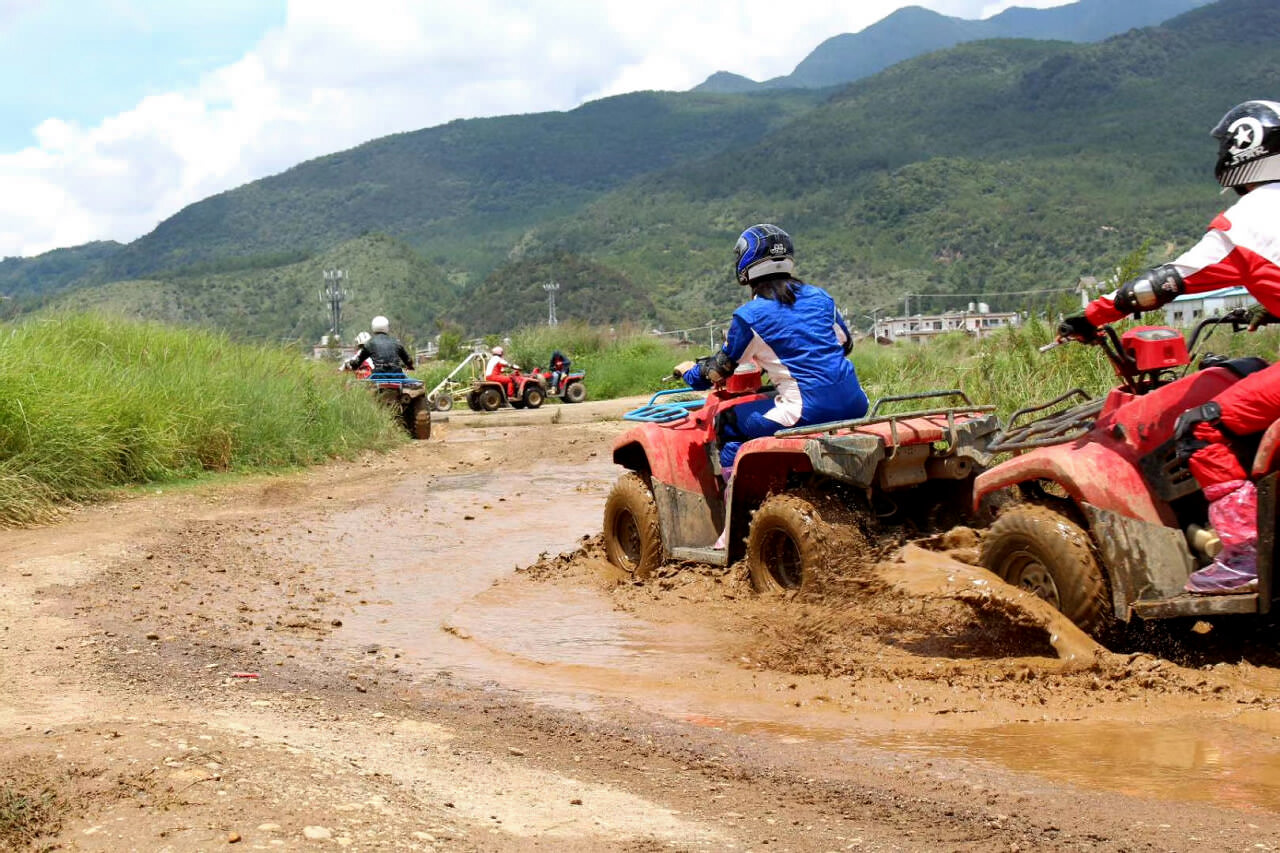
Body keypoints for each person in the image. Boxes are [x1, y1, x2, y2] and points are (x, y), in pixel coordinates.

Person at [1057, 99, 1280, 593]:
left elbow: (1164, 282)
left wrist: (1089, 316)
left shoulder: (1247, 220)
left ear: (1243, 148)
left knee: (1201, 428)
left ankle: (1243, 556)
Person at [675, 223, 869, 482]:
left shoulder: (749, 316)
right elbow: (845, 345)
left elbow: (717, 370)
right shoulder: (820, 297)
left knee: (726, 422)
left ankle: (736, 510)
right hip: (857, 403)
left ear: (746, 262)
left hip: (805, 410)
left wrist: (690, 372)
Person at [344, 315, 414, 378]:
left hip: (378, 376)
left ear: (373, 327)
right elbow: (408, 360)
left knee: (364, 388)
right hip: (397, 375)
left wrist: (352, 363)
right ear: (387, 327)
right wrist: (409, 366)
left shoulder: (369, 343)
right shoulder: (396, 342)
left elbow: (357, 363)